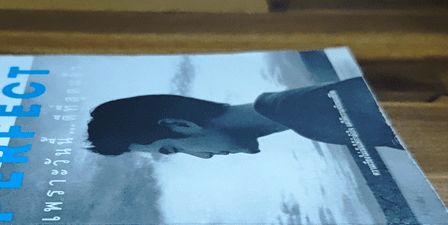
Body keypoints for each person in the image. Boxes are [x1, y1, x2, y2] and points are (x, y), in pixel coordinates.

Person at [86, 77, 404, 158]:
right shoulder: (291, 109)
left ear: (179, 125)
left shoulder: (302, 114)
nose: (205, 157)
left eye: (172, 149)